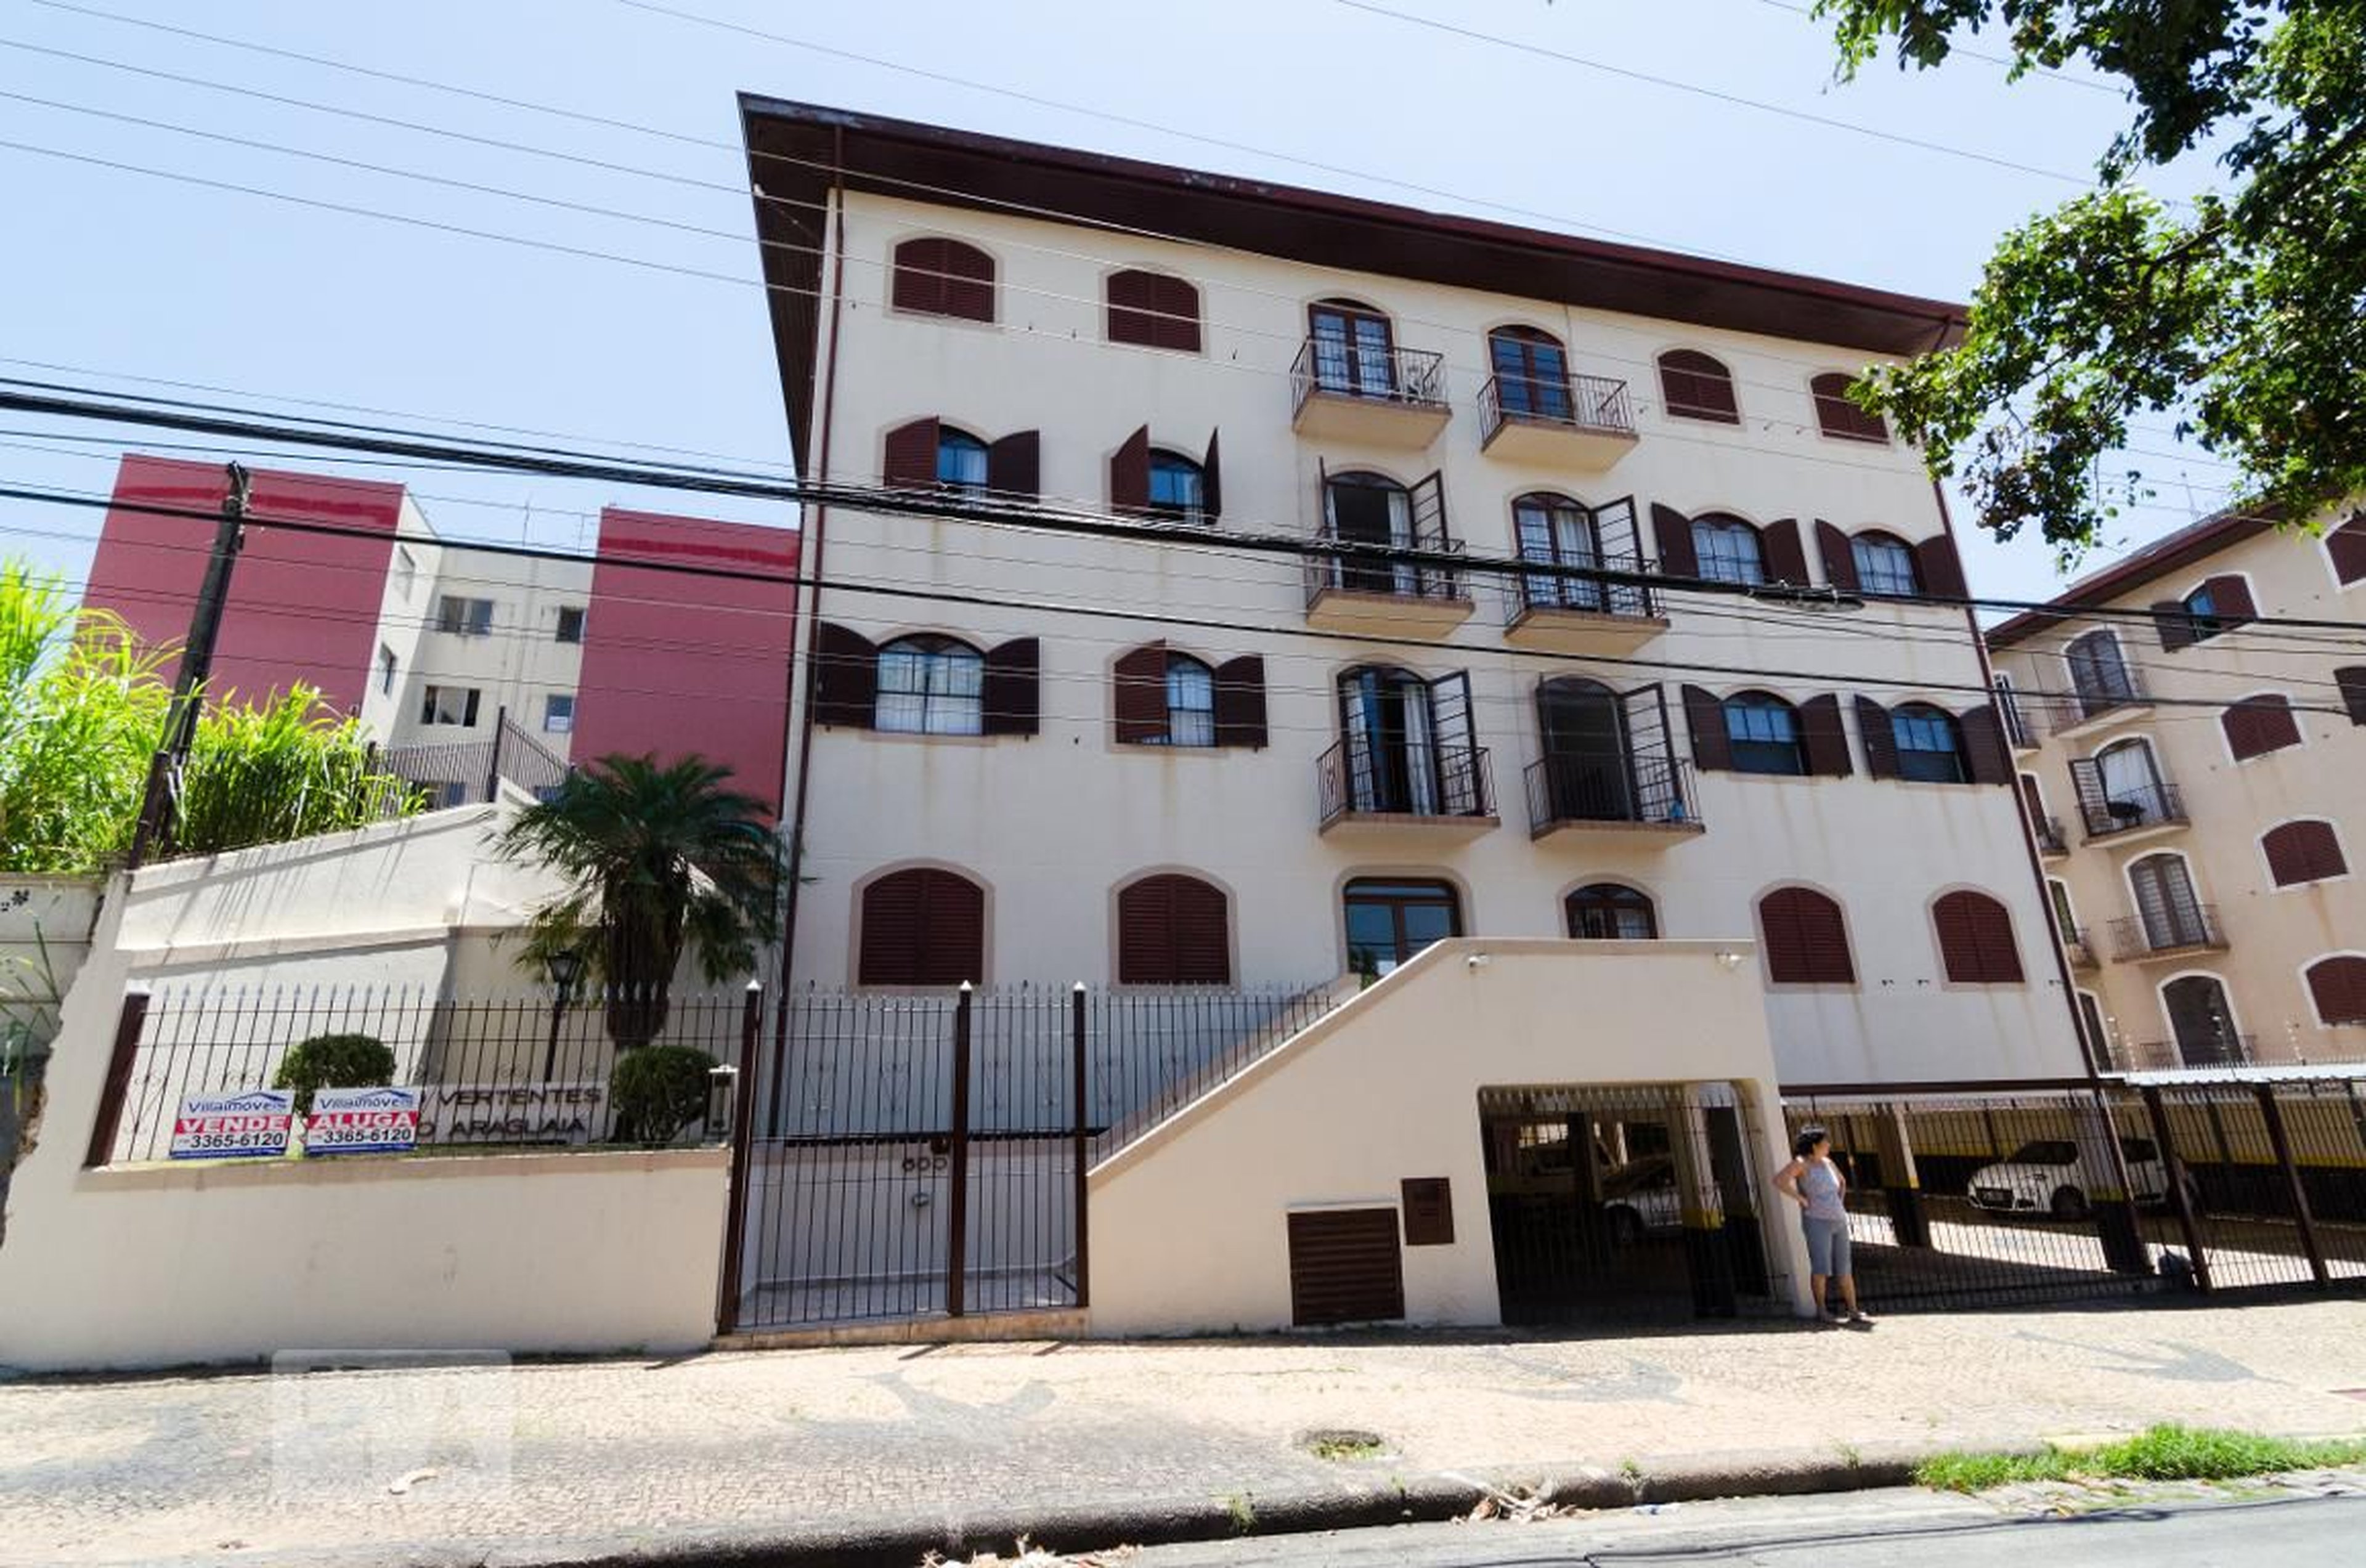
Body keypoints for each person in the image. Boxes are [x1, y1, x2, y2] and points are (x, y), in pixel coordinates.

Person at [1776, 1126, 1870, 1327]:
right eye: (1825, 1142)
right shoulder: (1802, 1163)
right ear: (1814, 1145)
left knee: (1845, 1267)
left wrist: (1839, 1202)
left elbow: (1843, 1182)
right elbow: (1780, 1180)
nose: (1828, 1144)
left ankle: (1853, 1310)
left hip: (1839, 1220)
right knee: (1821, 1267)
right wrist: (1801, 1199)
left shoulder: (1828, 1162)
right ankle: (1822, 1309)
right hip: (1817, 1221)